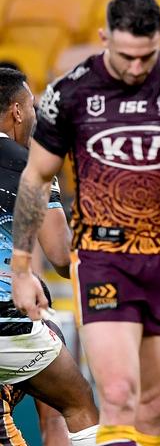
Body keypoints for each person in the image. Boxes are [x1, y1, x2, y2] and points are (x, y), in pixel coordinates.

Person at [11, 0, 160, 446]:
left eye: (147, 55)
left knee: (157, 407)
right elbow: (36, 180)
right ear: (104, 38)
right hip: (103, 256)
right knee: (117, 395)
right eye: (126, 57)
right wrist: (21, 269)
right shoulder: (69, 93)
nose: (137, 68)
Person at [0, 68, 99, 445]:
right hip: (7, 320)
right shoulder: (29, 164)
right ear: (17, 112)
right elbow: (61, 255)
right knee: (78, 404)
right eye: (32, 106)